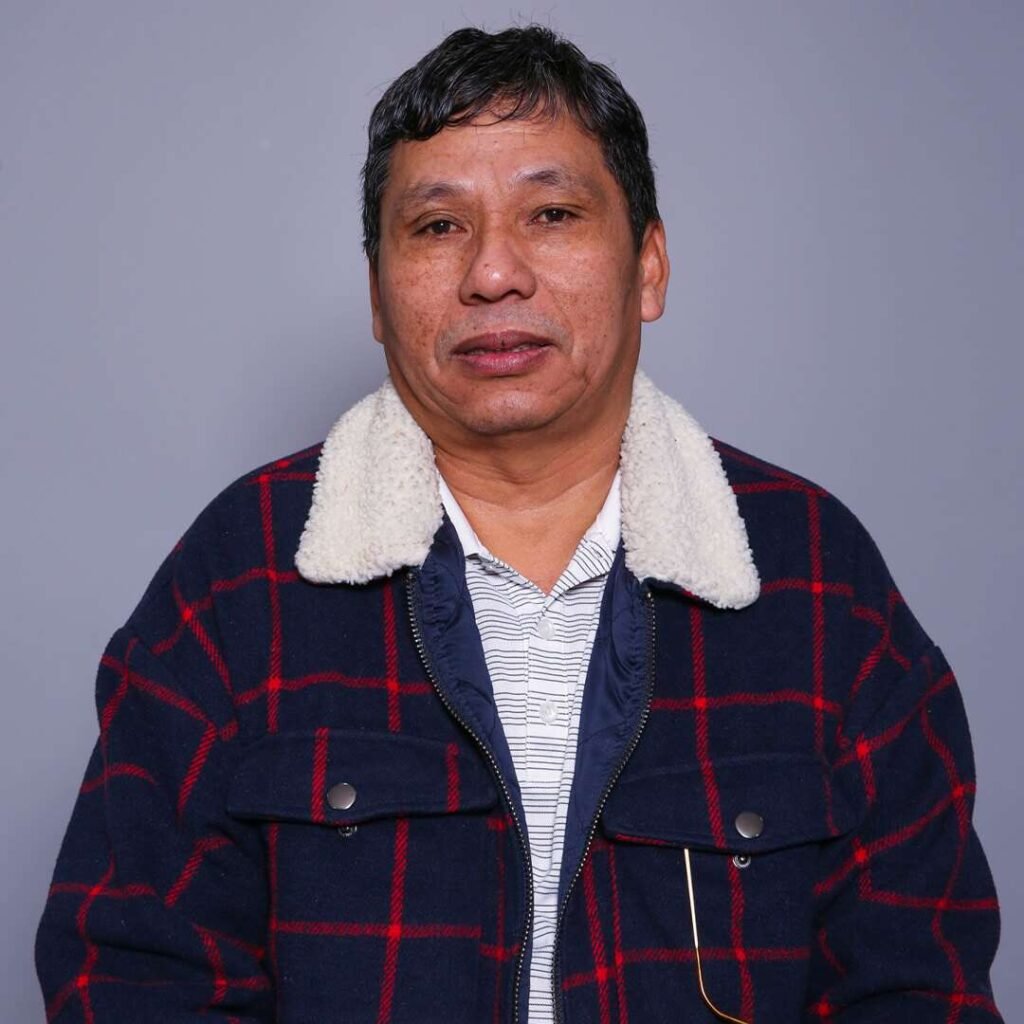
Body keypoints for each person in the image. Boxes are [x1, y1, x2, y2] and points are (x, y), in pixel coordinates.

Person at [36, 24, 1002, 1024]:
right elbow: (132, 979)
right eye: (436, 226)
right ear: (377, 293)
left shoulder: (812, 576)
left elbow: (917, 985)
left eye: (552, 213)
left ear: (648, 266)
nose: (493, 273)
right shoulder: (243, 575)